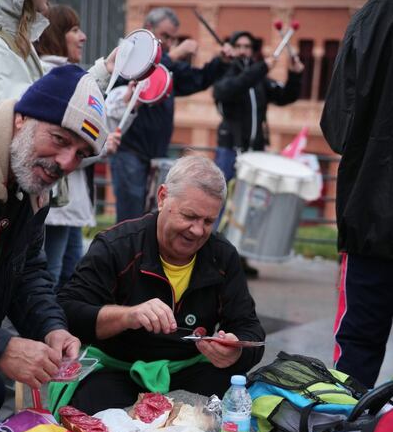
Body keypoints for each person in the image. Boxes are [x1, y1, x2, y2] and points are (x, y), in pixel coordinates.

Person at [55, 155, 265, 415]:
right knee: (89, 409)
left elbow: (250, 329)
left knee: (240, 406)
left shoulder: (222, 255)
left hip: (188, 368)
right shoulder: (116, 247)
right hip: (120, 368)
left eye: (208, 221)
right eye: (189, 216)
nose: (197, 230)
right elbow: (67, 312)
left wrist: (236, 352)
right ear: (162, 197)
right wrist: (128, 316)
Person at [0, 64, 109, 432]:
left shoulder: (30, 179)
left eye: (81, 154)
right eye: (59, 139)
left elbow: (28, 269)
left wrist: (51, 327)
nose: (67, 163)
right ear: (22, 119)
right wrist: (0, 346)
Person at [320, 0, 393, 389]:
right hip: (370, 216)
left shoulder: (370, 18)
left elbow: (336, 127)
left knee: (354, 361)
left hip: (371, 215)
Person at [109, 6, 233, 223]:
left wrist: (220, 62)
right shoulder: (130, 55)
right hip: (129, 150)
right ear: (149, 28)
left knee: (153, 216)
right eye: (164, 36)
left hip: (156, 152)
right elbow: (126, 84)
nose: (168, 42)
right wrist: (174, 54)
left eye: (172, 39)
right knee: (129, 217)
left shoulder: (169, 64)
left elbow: (197, 79)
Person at [34, 4, 120, 289]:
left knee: (69, 270)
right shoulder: (47, 74)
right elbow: (65, 146)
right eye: (73, 30)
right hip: (55, 199)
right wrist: (101, 147)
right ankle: (47, 332)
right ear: (55, 33)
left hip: (67, 201)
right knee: (51, 274)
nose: (82, 37)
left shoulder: (63, 73)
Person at [213, 30, 304, 183]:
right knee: (223, 194)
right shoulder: (225, 73)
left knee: (251, 199)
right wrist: (261, 68)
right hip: (230, 148)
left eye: (247, 46)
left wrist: (295, 75)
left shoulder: (260, 79)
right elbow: (230, 88)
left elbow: (285, 97)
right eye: (238, 46)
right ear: (232, 48)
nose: (243, 50)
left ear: (252, 50)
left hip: (256, 149)